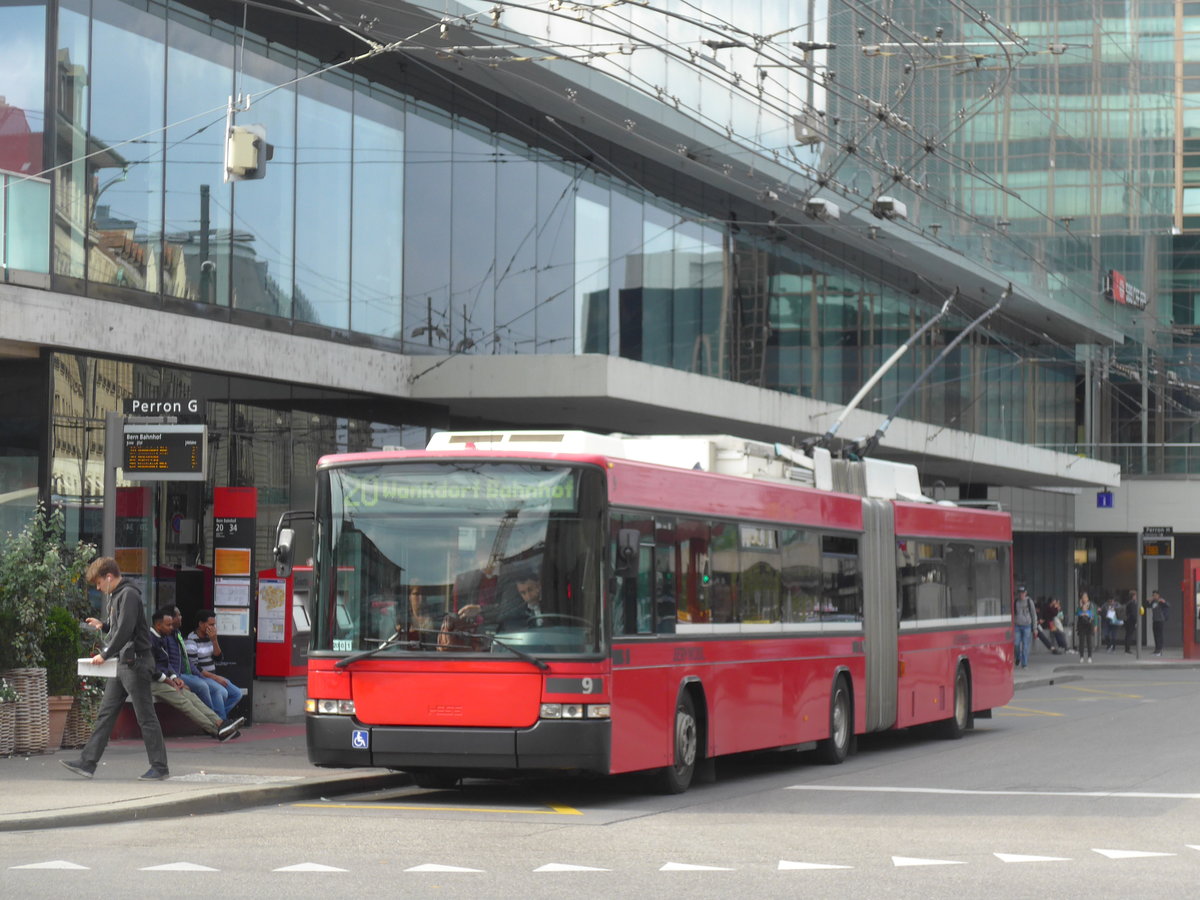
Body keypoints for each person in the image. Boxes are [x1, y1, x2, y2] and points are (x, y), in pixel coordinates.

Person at [60, 557, 169, 781]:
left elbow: (127, 630)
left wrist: (105, 654)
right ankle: (87, 763)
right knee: (106, 714)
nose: (99, 588)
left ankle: (160, 767)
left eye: (99, 583)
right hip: (125, 663)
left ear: (109, 577)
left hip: (135, 663)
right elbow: (123, 627)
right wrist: (105, 626)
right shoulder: (121, 594)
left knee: (145, 717)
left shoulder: (128, 594)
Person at [150, 607, 243, 741]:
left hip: (165, 679)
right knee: (184, 701)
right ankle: (215, 730)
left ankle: (221, 723)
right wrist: (172, 680)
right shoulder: (149, 639)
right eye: (168, 625)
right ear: (158, 625)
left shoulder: (166, 636)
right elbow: (152, 669)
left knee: (192, 697)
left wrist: (174, 678)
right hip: (150, 681)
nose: (171, 627)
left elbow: (165, 664)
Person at [185, 609, 245, 719]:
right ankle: (221, 722)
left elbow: (218, 658)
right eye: (210, 624)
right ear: (201, 624)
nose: (213, 628)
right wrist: (216, 678)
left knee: (236, 693)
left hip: (213, 677)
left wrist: (214, 640)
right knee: (219, 691)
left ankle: (216, 718)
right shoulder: (191, 641)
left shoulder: (210, 638)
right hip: (202, 677)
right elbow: (194, 667)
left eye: (214, 625)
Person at [169, 606, 219, 715]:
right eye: (178, 615)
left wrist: (214, 640)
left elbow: (218, 658)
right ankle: (215, 719)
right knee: (204, 686)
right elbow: (167, 663)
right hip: (178, 675)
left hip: (197, 674)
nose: (181, 617)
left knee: (231, 693)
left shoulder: (177, 634)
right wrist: (174, 678)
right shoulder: (188, 640)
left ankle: (220, 718)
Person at [1013, 586, 1037, 668]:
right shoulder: (1016, 602)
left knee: (1025, 645)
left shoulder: (1029, 602)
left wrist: (1035, 628)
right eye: (1019, 593)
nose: (1021, 595)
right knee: (1016, 644)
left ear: (1025, 593)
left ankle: (1024, 663)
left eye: (1022, 593)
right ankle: (1018, 657)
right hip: (1017, 626)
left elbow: (1034, 615)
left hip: (1027, 626)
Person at [1075, 592, 1095, 663]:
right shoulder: (1079, 606)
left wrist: (1095, 625)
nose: (1084, 599)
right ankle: (1081, 657)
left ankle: (1089, 657)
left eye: (1085, 597)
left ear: (1088, 598)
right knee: (1081, 641)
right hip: (1081, 625)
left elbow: (1093, 614)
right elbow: (1077, 613)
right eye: (1083, 597)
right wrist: (1080, 607)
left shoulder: (1091, 605)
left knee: (1089, 641)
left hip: (1089, 625)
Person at [1148, 590, 1170, 656]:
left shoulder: (1160, 601)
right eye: (1153, 595)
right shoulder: (1153, 602)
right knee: (1155, 635)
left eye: (1155, 595)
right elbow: (1147, 605)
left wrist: (1164, 602)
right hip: (1155, 620)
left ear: (1158, 595)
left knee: (1159, 635)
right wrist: (1149, 601)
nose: (1154, 596)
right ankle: (1156, 650)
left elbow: (1168, 605)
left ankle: (1159, 650)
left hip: (1160, 620)